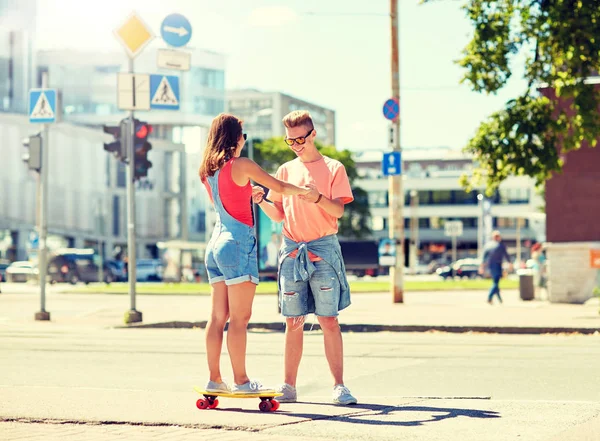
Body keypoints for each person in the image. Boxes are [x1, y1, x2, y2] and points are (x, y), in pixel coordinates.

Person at [199, 113, 310, 394]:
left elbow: (227, 200)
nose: (244, 141)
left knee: (217, 317)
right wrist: (304, 191)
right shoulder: (242, 164)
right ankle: (241, 381)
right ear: (236, 138)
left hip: (215, 244)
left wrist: (249, 194)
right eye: (243, 136)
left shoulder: (207, 170)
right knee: (239, 319)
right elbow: (280, 187)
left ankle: (214, 379)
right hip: (237, 245)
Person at [252, 110, 358, 405]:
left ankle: (339, 386)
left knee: (329, 320)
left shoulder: (333, 167)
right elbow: (279, 214)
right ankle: (288, 386)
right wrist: (261, 203)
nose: (296, 145)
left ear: (312, 135)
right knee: (293, 320)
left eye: (300, 138)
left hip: (323, 250)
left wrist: (318, 198)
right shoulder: (285, 171)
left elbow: (338, 212)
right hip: (291, 250)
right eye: (290, 140)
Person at [479, 230, 513, 304]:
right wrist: (510, 263)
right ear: (497, 237)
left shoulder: (488, 245)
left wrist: (481, 266)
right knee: (496, 282)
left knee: (495, 281)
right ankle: (489, 297)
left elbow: (484, 257)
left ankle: (499, 299)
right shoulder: (500, 245)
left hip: (490, 266)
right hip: (497, 265)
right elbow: (506, 255)